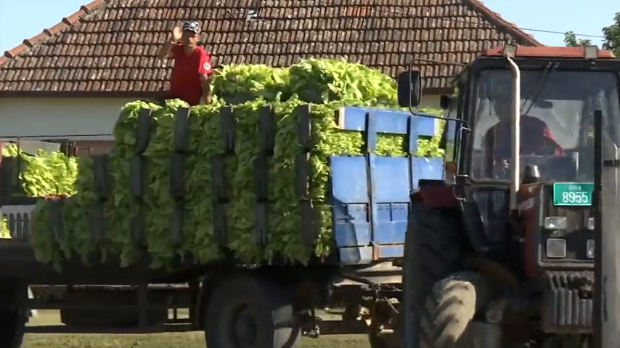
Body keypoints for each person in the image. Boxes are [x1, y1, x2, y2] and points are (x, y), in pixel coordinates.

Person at [158, 21, 213, 106]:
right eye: (186, 35)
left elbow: (204, 79)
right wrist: (173, 40)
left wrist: (208, 105)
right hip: (175, 99)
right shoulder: (178, 49)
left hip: (192, 103)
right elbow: (162, 55)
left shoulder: (201, 54)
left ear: (197, 38)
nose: (189, 39)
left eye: (192, 36)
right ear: (182, 37)